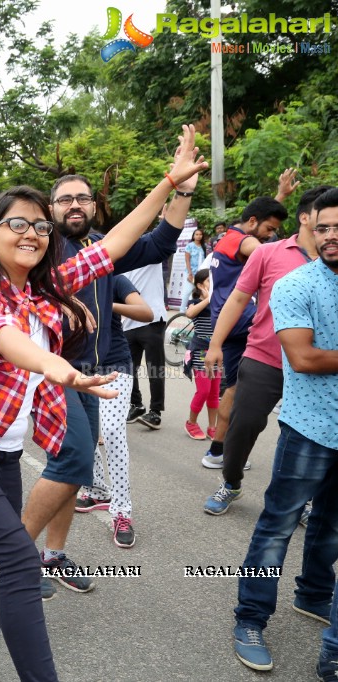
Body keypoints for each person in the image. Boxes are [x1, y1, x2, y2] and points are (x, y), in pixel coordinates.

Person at [0, 138, 204, 678]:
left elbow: (112, 246)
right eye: (17, 224)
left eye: (40, 226)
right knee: (20, 562)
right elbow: (0, 337)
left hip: (1, 459)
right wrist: (55, 366)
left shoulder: (45, 292)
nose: (33, 234)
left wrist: (169, 184)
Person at [23, 126, 206, 600]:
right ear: (50, 210)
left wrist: (182, 186)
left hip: (103, 367)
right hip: (58, 370)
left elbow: (164, 240)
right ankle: (12, 561)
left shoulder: (102, 246)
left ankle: (53, 555)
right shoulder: (45, 251)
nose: (75, 205)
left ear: (94, 205)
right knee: (72, 462)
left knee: (76, 467)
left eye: (82, 198)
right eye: (64, 200)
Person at [231, 187, 338, 673]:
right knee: (277, 527)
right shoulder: (297, 285)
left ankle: (313, 595)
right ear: (311, 230)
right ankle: (249, 618)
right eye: (323, 228)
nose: (331, 236)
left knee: (331, 525)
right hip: (310, 427)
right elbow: (304, 357)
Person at [202, 185, 331, 513]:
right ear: (305, 217)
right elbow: (238, 298)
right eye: (324, 216)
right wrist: (215, 344)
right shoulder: (266, 253)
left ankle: (302, 501)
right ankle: (230, 483)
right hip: (265, 357)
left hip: (318, 364)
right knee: (243, 425)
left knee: (310, 437)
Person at [198, 196, 289, 473]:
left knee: (234, 390)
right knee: (288, 329)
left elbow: (259, 220)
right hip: (240, 319)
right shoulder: (243, 241)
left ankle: (217, 450)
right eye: (269, 229)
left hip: (228, 324)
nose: (271, 235)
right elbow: (269, 251)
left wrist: (280, 196)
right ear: (252, 222)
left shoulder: (228, 237)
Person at [76, 275, 152, 548]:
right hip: (78, 366)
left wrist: (105, 305)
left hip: (115, 365)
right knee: (86, 433)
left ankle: (122, 511)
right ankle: (97, 490)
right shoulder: (60, 280)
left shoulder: (113, 281)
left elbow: (145, 312)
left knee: (111, 431)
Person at [122, 260, 169, 430]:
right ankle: (137, 405)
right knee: (128, 369)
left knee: (155, 369)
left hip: (153, 320)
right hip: (128, 323)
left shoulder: (152, 254)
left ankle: (155, 411)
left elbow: (166, 237)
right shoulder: (123, 259)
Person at [183, 269, 219, 440]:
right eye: (208, 281)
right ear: (199, 285)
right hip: (200, 352)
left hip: (218, 352)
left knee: (214, 392)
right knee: (203, 391)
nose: (212, 283)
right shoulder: (195, 302)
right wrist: (208, 300)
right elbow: (189, 313)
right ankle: (191, 423)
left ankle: (213, 427)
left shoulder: (219, 301)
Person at [181, 226, 208, 306]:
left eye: (200, 234)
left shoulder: (204, 246)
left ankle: (195, 308)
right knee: (187, 291)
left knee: (200, 291)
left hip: (201, 273)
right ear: (193, 236)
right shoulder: (189, 246)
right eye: (196, 234)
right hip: (191, 272)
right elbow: (187, 260)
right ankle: (182, 310)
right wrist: (190, 273)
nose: (198, 236)